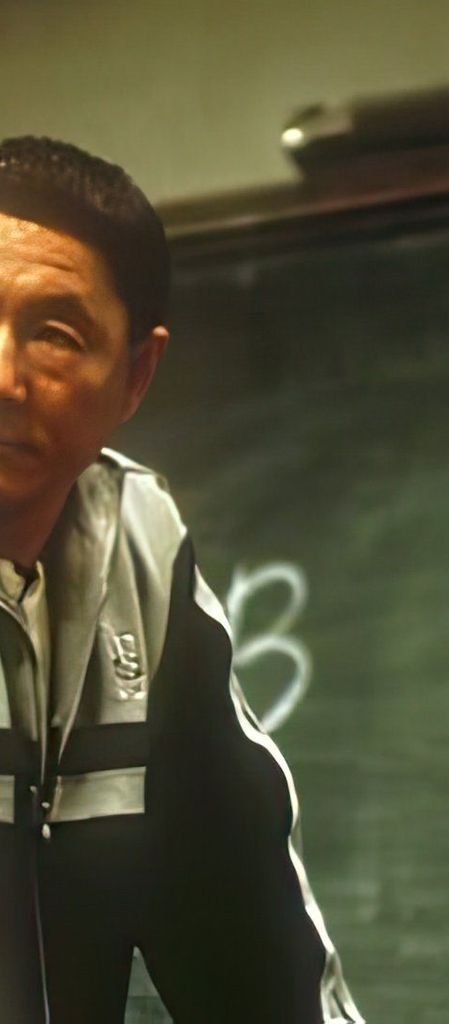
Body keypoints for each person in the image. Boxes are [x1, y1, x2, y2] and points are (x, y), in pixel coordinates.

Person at [0, 136, 364, 1024]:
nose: (3, 379)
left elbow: (248, 937)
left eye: (55, 335)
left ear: (135, 377)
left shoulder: (137, 551)